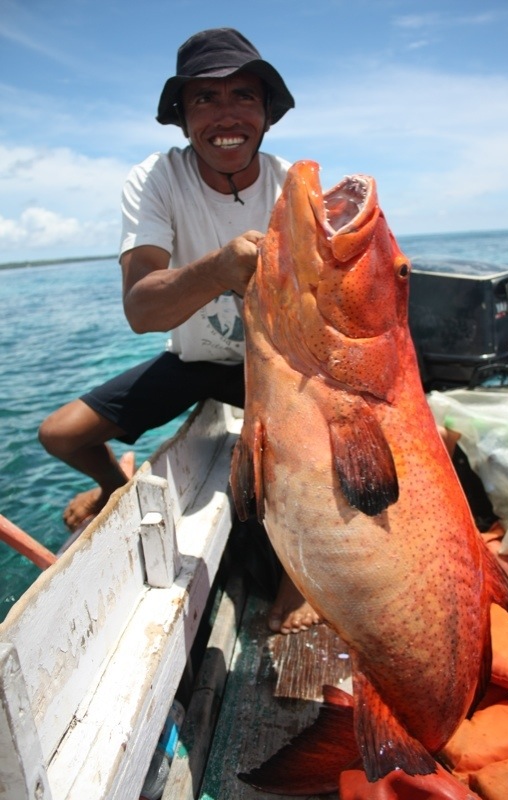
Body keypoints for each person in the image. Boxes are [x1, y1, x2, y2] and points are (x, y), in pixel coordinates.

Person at [38, 27, 320, 635]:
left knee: (311, 461)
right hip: (193, 360)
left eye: (244, 95)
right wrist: (220, 267)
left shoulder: (292, 186)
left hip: (267, 370)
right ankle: (119, 488)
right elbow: (142, 311)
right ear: (183, 117)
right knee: (60, 434)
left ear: (268, 112)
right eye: (204, 98)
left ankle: (300, 583)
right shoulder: (156, 179)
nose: (226, 115)